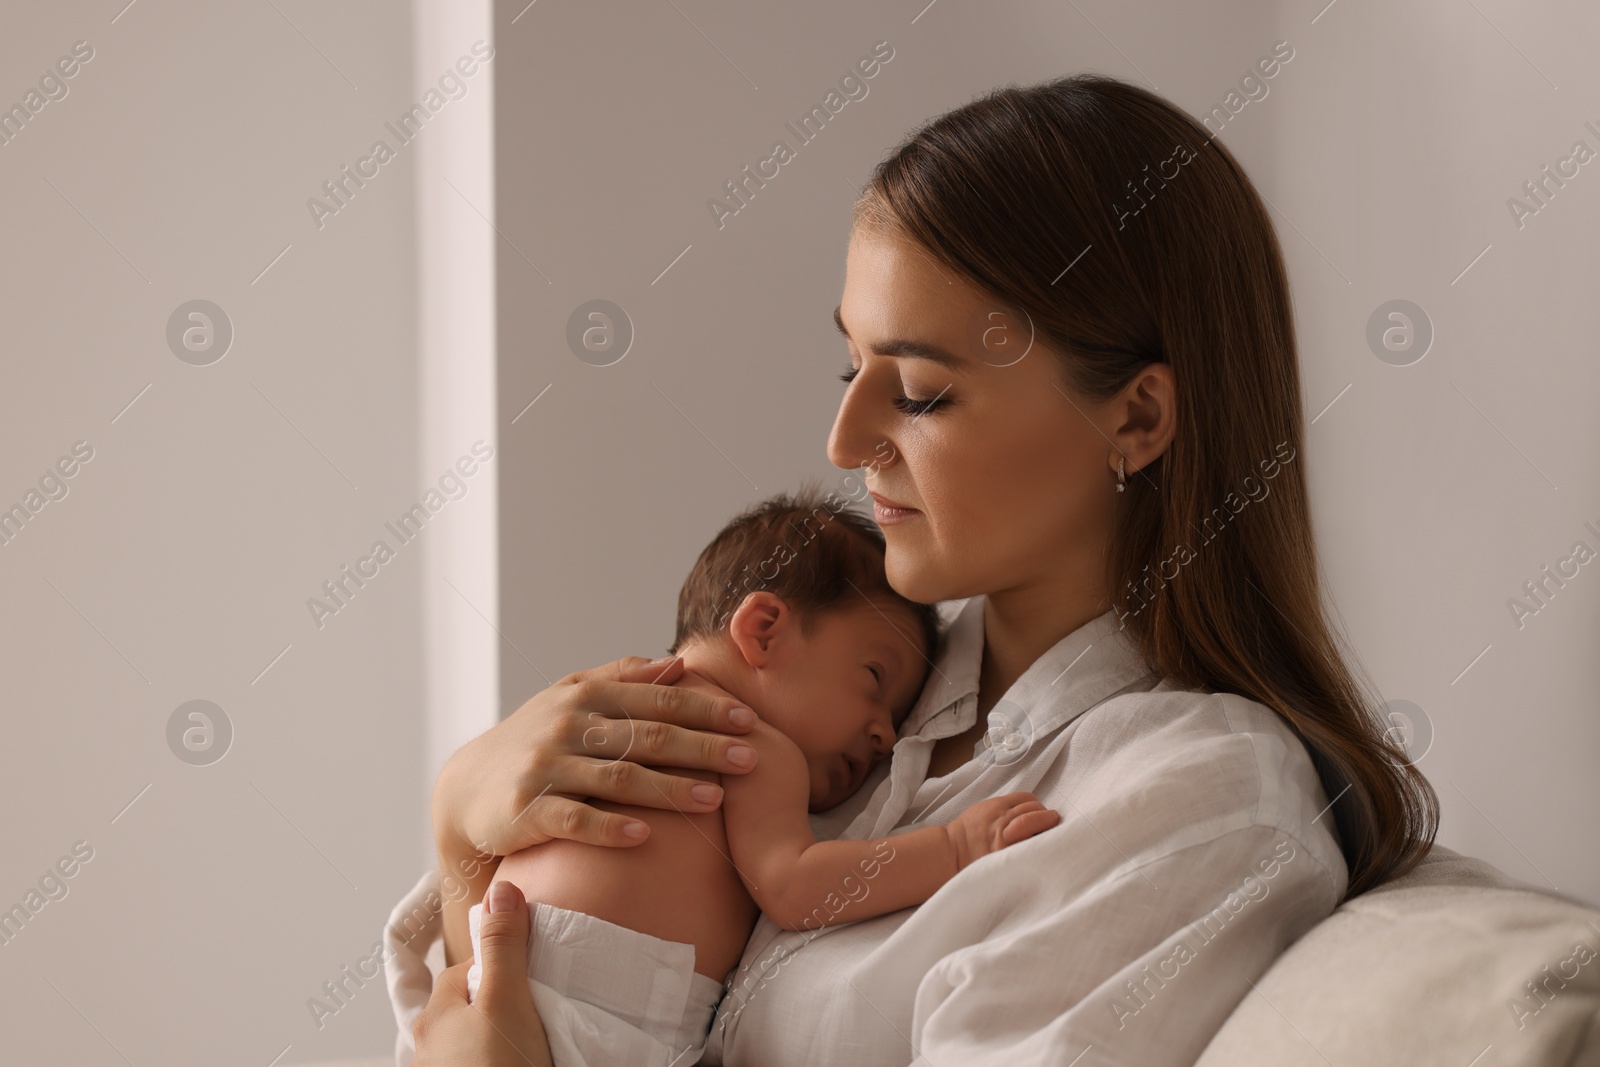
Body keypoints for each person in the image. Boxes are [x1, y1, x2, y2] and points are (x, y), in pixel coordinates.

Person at [394, 71, 1439, 1065]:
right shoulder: (846, 696)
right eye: (851, 368)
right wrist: (458, 830)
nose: (844, 441)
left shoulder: (1193, 795)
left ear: (1135, 415)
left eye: (922, 391)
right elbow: (532, 981)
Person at [457, 491, 1061, 1065]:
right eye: (875, 678)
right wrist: (952, 847)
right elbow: (795, 887)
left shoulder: (602, 703)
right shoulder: (753, 744)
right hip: (601, 1017)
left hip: (503, 987)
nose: (884, 737)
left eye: (895, 722)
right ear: (764, 629)